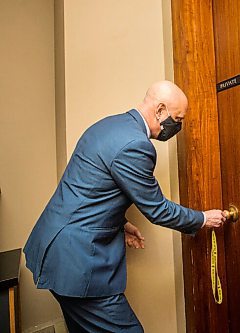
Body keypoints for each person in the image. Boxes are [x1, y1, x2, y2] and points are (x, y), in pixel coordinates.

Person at [23, 81, 226, 332]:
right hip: (77, 262)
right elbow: (157, 209)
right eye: (177, 119)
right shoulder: (136, 145)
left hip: (57, 249)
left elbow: (91, 189)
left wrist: (120, 222)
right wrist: (203, 219)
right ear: (160, 110)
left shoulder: (109, 125)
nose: (178, 127)